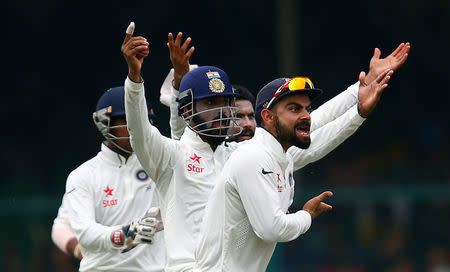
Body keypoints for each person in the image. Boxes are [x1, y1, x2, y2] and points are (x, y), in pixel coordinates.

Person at [121, 23, 408, 271]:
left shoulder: (240, 154)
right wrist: (135, 78)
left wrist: (361, 91)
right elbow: (138, 130)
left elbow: (309, 129)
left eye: (224, 103)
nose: (221, 111)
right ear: (185, 110)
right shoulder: (170, 156)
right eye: (210, 103)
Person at [195, 71, 393, 271]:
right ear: (268, 117)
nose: (306, 116)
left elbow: (320, 135)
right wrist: (306, 215)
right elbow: (271, 229)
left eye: (307, 109)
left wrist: (358, 110)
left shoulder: (282, 156)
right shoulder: (253, 156)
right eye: (294, 108)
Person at [52, 86, 165, 272]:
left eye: (141, 120)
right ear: (106, 123)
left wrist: (178, 92)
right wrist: (124, 234)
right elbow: (78, 231)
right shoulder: (83, 175)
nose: (137, 128)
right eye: (128, 120)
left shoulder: (160, 162)